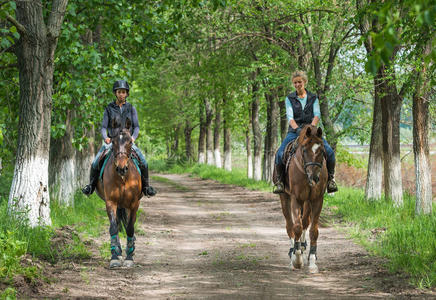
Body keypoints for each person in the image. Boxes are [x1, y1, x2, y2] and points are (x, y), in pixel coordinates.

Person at [82, 80, 156, 197]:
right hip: (113, 142)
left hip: (127, 143)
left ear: (127, 94)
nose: (121, 94)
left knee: (144, 162)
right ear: (115, 93)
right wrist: (106, 137)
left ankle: (146, 188)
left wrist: (133, 138)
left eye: (123, 92)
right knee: (95, 162)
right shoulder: (109, 108)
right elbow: (103, 128)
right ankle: (90, 186)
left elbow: (136, 127)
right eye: (119, 92)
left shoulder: (131, 108)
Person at [273, 70, 338, 194]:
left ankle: (331, 180)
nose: (297, 85)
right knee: (280, 153)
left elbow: (317, 114)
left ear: (305, 82)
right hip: (294, 131)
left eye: (299, 82)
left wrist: (311, 128)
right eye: (295, 83)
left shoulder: (313, 98)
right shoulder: (289, 98)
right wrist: (298, 130)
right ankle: (280, 182)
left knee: (329, 152)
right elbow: (290, 118)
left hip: (311, 132)